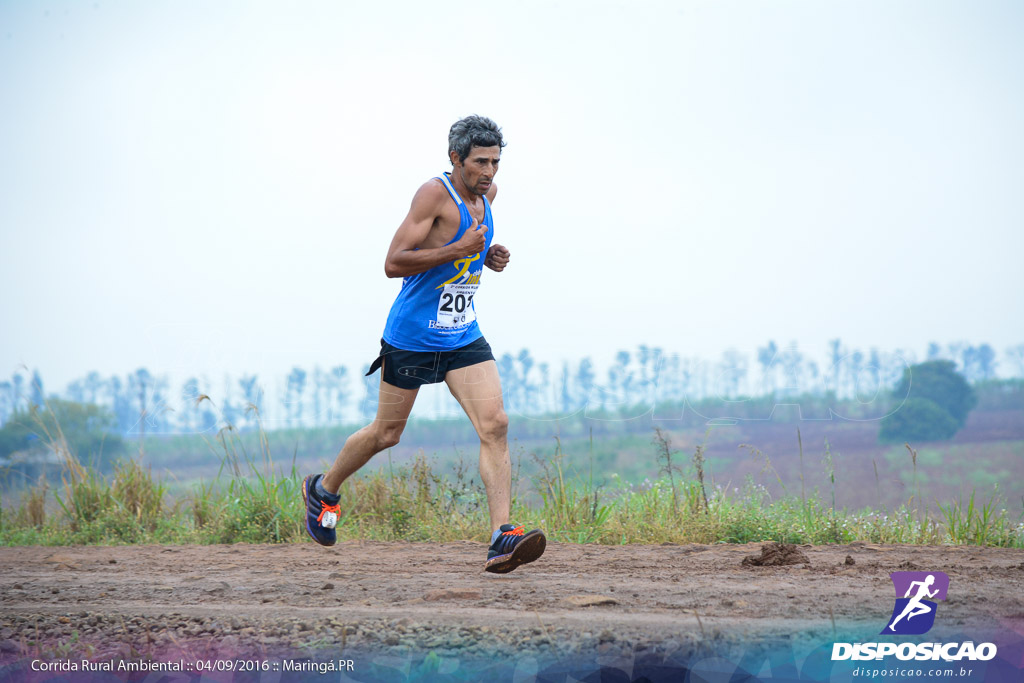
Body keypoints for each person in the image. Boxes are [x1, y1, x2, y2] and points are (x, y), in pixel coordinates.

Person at [301, 115, 546, 573]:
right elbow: (394, 263)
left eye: (495, 162)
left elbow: (465, 253)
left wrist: (486, 256)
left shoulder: (488, 196)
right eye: (479, 162)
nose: (489, 172)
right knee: (386, 434)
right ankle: (323, 490)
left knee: (495, 424)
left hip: (462, 334)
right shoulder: (434, 194)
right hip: (412, 336)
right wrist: (458, 249)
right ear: (455, 158)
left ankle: (500, 538)